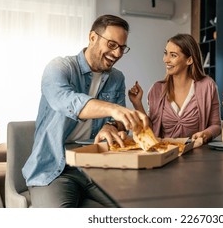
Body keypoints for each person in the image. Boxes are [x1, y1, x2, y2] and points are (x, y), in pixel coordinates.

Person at [22, 14, 149, 208]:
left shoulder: (117, 78)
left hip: (98, 164)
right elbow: (65, 100)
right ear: (92, 37)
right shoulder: (59, 67)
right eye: (112, 45)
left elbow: (120, 124)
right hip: (56, 168)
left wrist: (110, 125)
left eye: (122, 48)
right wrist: (113, 109)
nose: (117, 54)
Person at [128, 33, 221, 144]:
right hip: (165, 154)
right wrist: (137, 103)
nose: (166, 60)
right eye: (165, 53)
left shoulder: (207, 86)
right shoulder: (156, 89)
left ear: (189, 60)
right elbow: (150, 129)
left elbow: (216, 126)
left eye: (173, 55)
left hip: (197, 154)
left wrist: (206, 134)